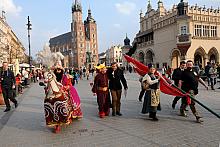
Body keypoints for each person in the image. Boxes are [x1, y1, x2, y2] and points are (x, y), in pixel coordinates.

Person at [43, 61, 83, 133]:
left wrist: (64, 88)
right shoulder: (53, 76)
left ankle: (68, 114)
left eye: (59, 70)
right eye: (57, 70)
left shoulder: (65, 77)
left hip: (64, 90)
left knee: (68, 99)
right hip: (53, 92)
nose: (58, 71)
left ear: (61, 70)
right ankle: (52, 119)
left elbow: (69, 85)